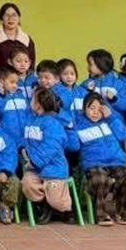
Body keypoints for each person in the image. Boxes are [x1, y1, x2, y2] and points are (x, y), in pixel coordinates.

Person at [71, 93, 126, 226]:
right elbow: (73, 145)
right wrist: (70, 128)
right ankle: (101, 214)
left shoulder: (110, 120)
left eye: (99, 108)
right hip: (93, 163)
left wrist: (110, 117)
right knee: (100, 180)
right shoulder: (78, 123)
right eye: (91, 108)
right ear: (84, 109)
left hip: (116, 162)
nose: (95, 112)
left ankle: (124, 214)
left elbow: (123, 135)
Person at [21, 88, 78, 225]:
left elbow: (52, 145)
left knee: (57, 199)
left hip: (54, 169)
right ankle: (45, 205)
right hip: (35, 170)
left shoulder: (52, 123)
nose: (30, 101)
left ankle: (66, 210)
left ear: (39, 104)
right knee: (28, 184)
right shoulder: (32, 120)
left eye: (33, 99)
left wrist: (35, 161)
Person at [0, 3, 35, 80]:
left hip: (21, 81)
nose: (11, 18)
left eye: (14, 15)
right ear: (1, 18)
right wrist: (6, 80)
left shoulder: (26, 39)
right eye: (7, 15)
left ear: (19, 18)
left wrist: (20, 80)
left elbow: (31, 65)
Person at [82, 49, 126, 122]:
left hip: (114, 123)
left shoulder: (118, 84)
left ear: (100, 64)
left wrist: (113, 99)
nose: (88, 67)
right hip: (94, 123)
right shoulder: (88, 83)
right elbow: (80, 99)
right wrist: (89, 92)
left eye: (90, 64)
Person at [0, 66, 27, 145]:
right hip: (6, 139)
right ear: (1, 82)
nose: (15, 85)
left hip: (23, 138)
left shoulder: (21, 95)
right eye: (12, 82)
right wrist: (1, 96)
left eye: (17, 82)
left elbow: (28, 112)